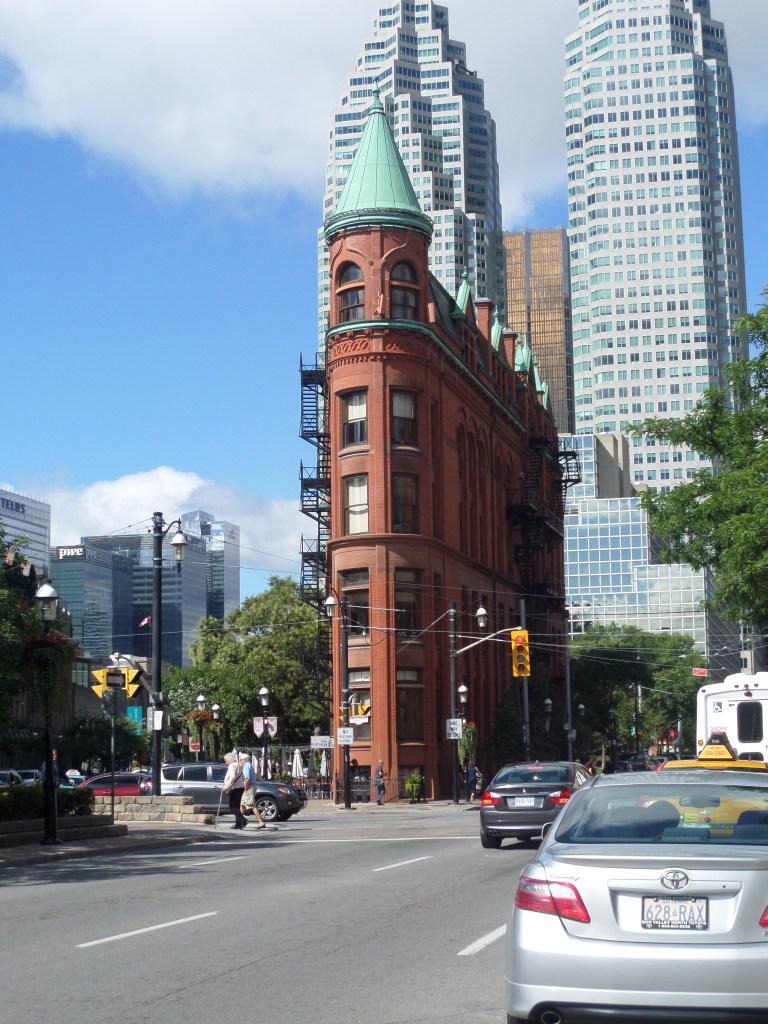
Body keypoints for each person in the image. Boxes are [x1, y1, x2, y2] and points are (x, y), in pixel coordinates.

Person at [238, 751, 266, 830]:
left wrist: (245, 787)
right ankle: (240, 821)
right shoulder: (249, 765)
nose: (240, 761)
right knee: (242, 804)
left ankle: (261, 822)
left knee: (251, 805)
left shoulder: (246, 766)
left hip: (249, 787)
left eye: (241, 760)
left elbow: (247, 779)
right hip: (251, 786)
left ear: (245, 760)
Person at [222, 752, 247, 829]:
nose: (226, 762)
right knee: (236, 806)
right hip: (240, 787)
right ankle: (238, 824)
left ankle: (243, 820)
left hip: (235, 788)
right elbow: (242, 776)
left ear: (229, 759)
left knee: (232, 806)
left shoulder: (232, 765)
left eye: (226, 760)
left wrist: (226, 787)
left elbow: (232, 777)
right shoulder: (238, 765)